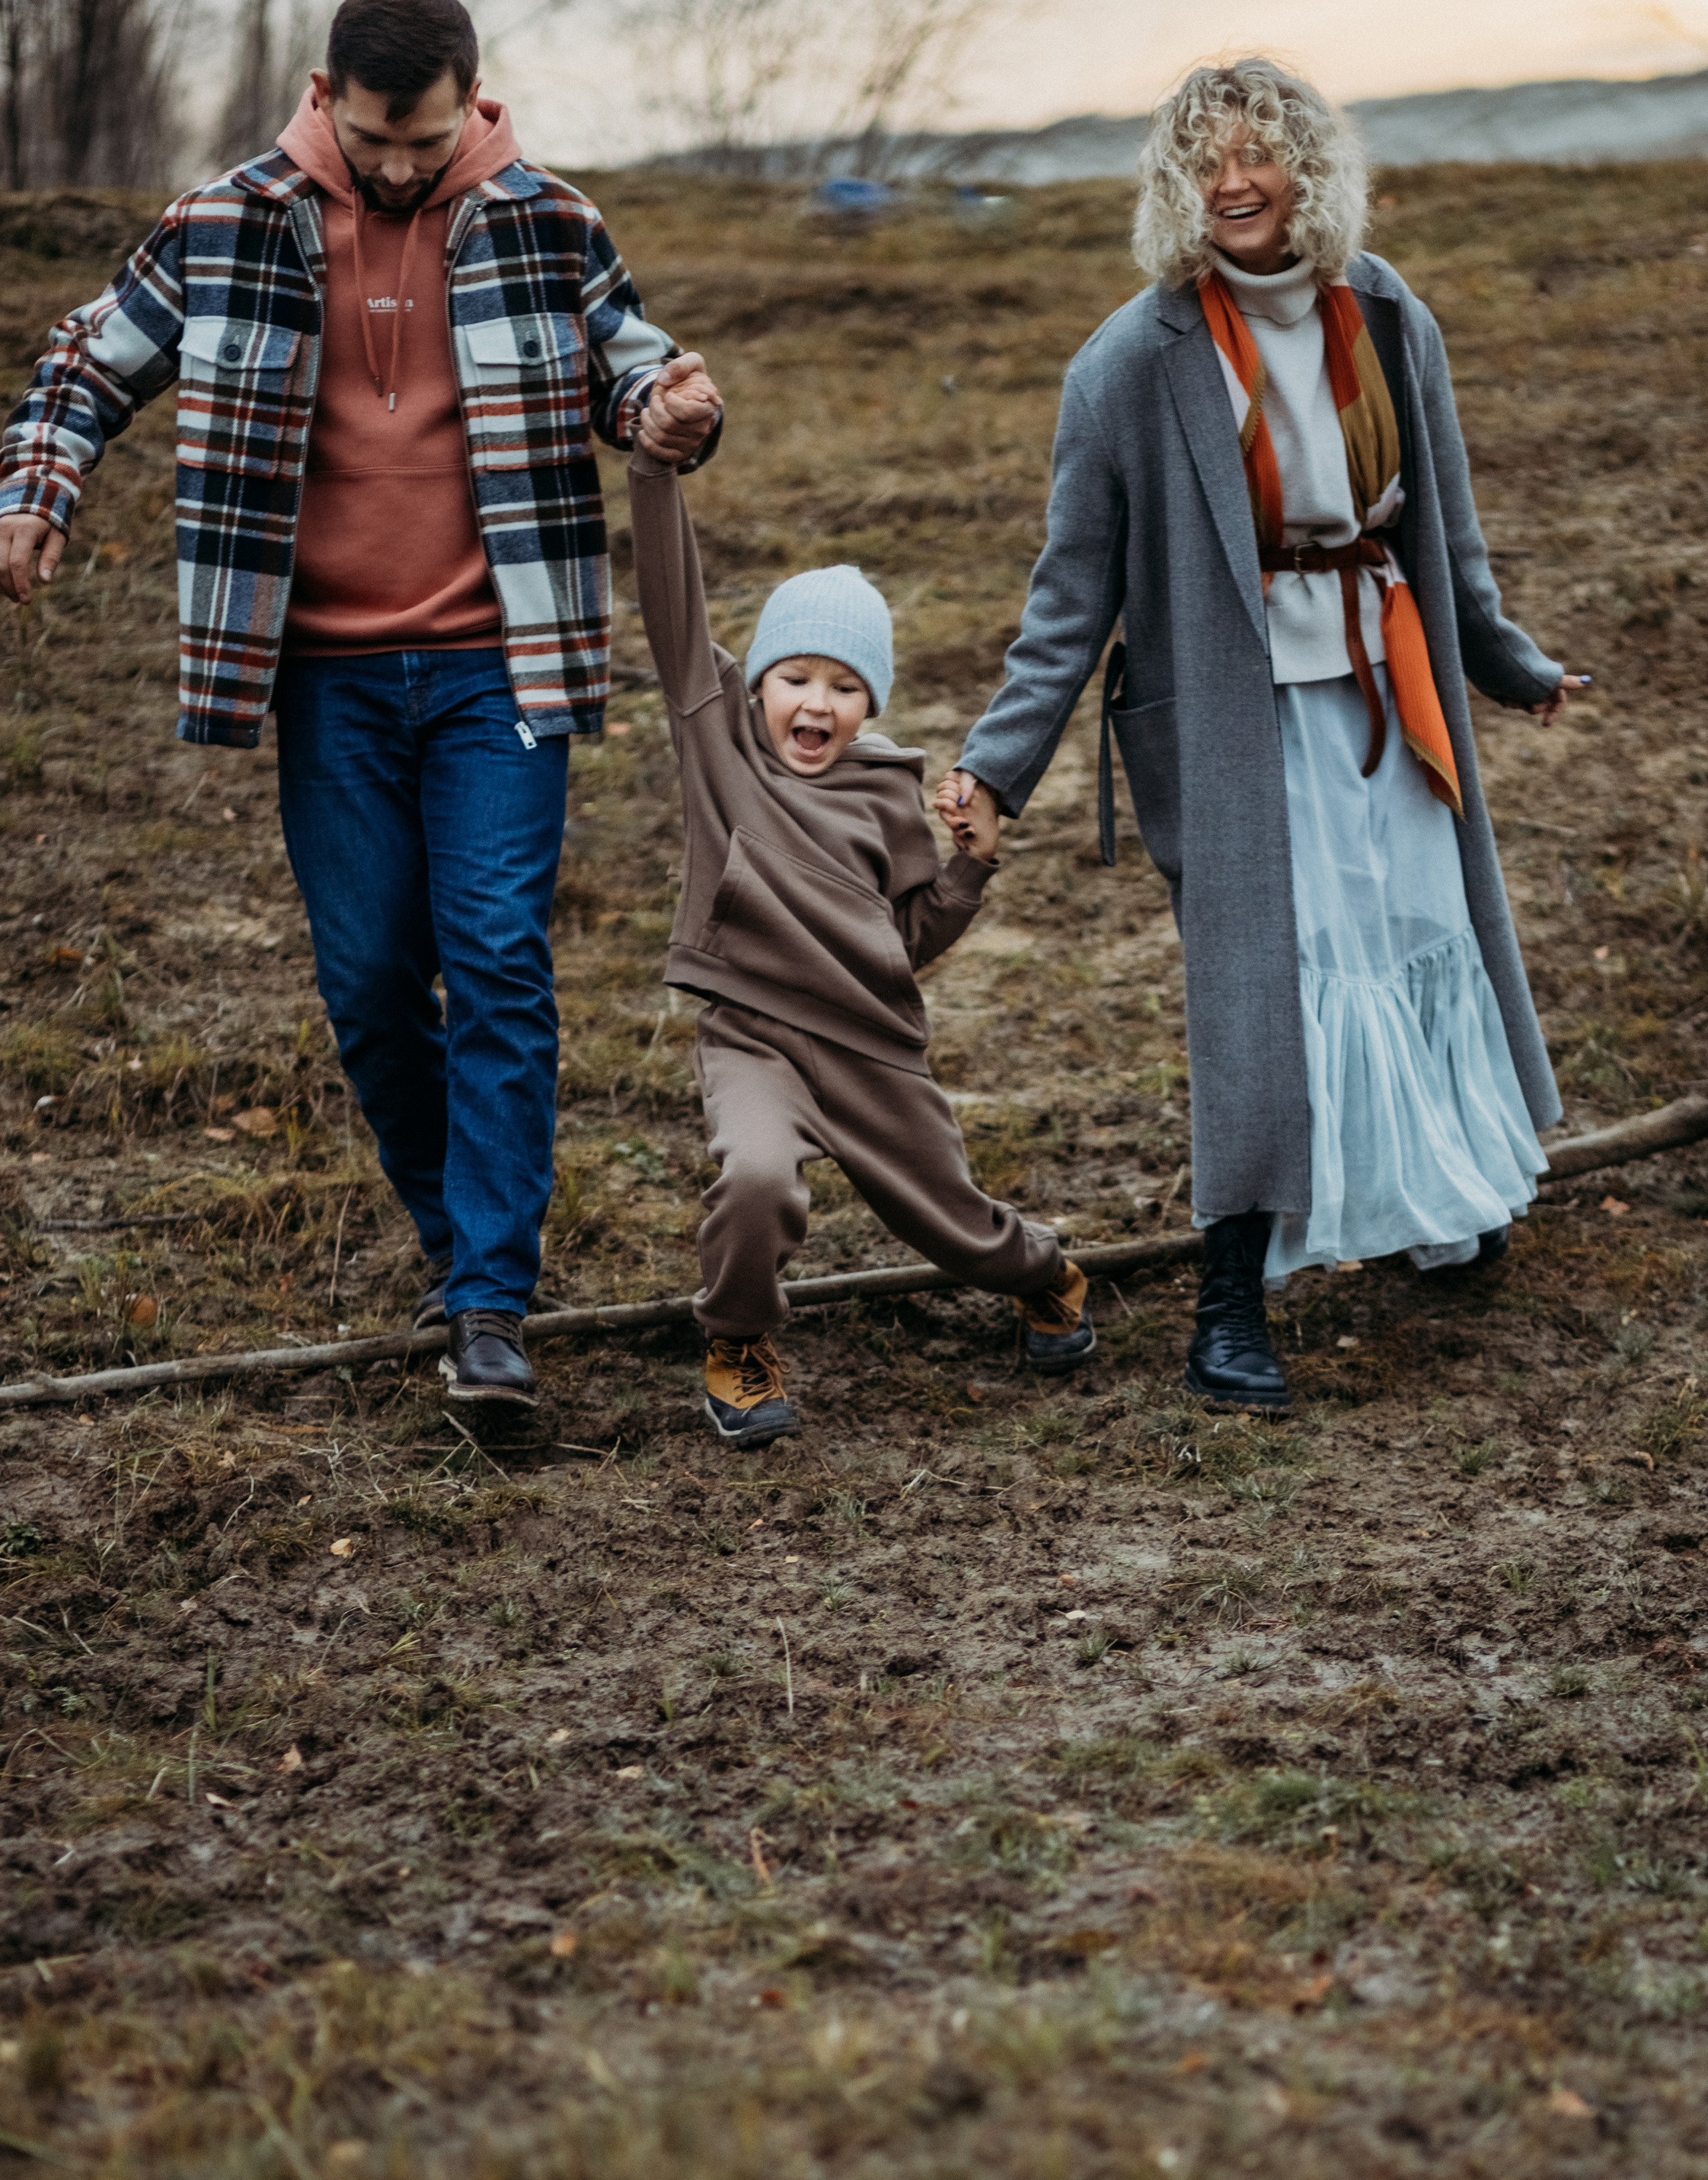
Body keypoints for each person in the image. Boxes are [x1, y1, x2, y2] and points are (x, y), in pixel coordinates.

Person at [0, 0, 720, 1410]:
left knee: (500, 958)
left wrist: (669, 411)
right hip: (323, 679)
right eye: (379, 140)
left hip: (495, 669)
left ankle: (492, 1307)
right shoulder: (222, 225)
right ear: (327, 95)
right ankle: (470, 1250)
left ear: (473, 102)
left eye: (430, 139)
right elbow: (84, 363)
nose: (402, 168)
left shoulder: (550, 224)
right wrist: (36, 496)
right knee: (374, 987)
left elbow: (636, 367)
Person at [947, 58, 1574, 1416]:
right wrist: (997, 766)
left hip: (1383, 691)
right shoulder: (1129, 363)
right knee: (1269, 991)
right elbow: (1069, 600)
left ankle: (1440, 1202)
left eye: (1260, 152)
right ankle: (1232, 1301)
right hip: (1233, 720)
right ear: (1176, 188)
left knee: (1415, 939)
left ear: (1309, 168)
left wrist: (1505, 660)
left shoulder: (1388, 311)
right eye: (1205, 161)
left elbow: (1443, 528)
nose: (1234, 181)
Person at [627, 427, 1094, 1447]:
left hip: (870, 1042)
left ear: (868, 705)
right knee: (755, 1178)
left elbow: (905, 941)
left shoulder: (887, 798)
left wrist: (972, 863)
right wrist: (653, 468)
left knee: (957, 1229)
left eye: (845, 688)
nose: (817, 704)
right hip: (751, 1032)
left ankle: (1046, 1271)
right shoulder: (717, 739)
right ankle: (738, 1346)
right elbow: (673, 600)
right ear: (756, 685)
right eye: (796, 677)